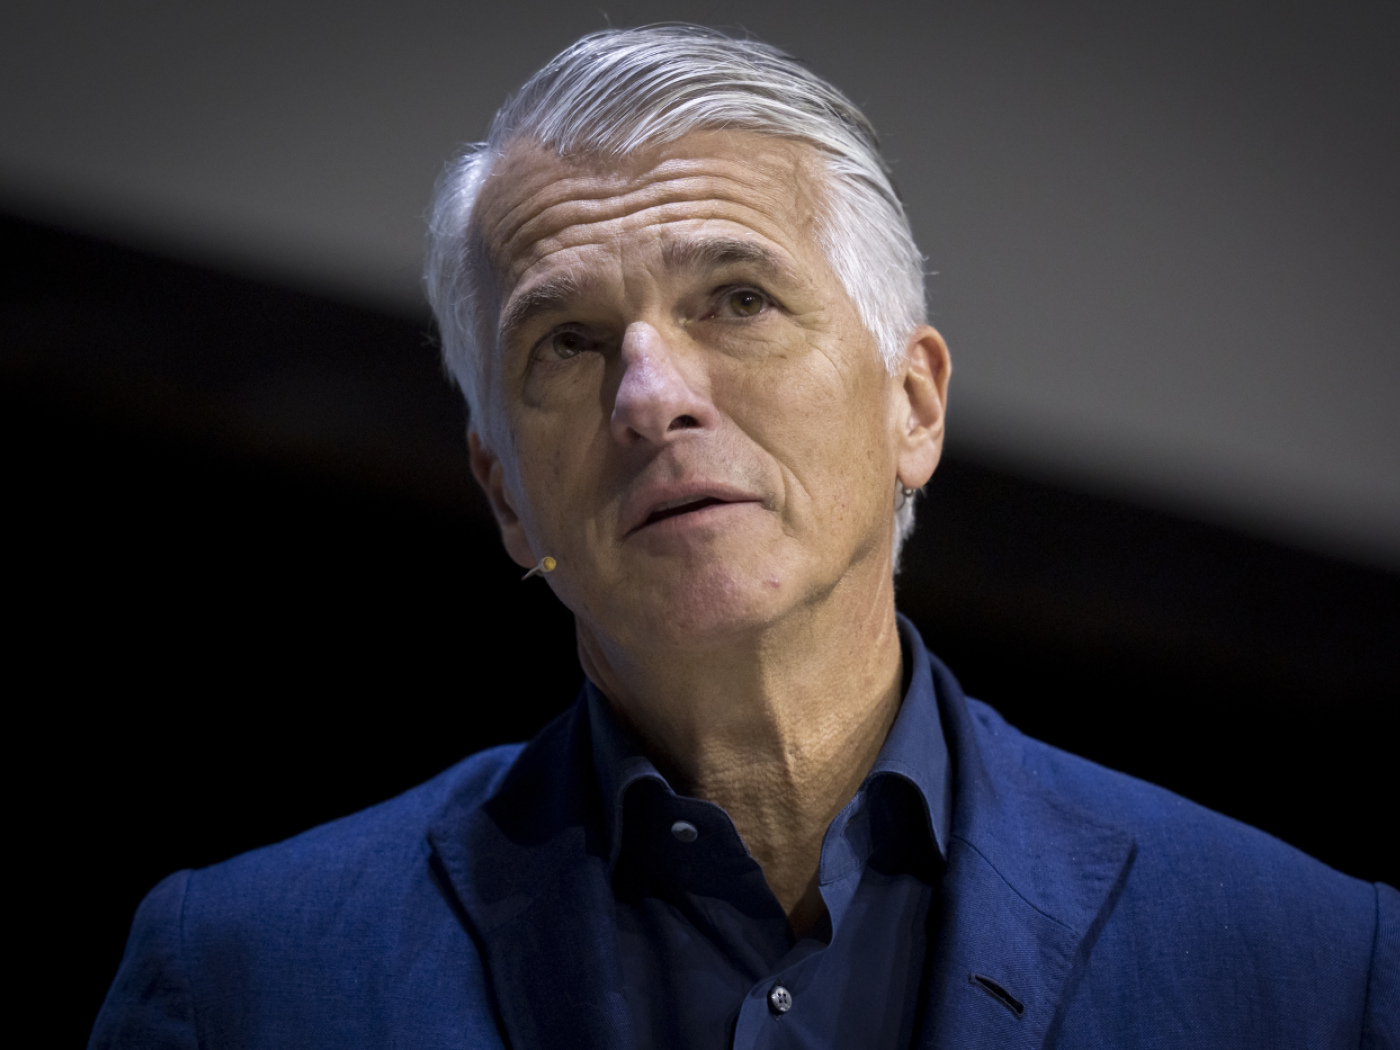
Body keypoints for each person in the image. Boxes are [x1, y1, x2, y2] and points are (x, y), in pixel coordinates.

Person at [90, 25, 1396, 1050]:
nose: (650, 394)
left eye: (737, 299)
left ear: (913, 404)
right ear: (506, 497)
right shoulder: (241, 980)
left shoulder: (1323, 970)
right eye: (567, 342)